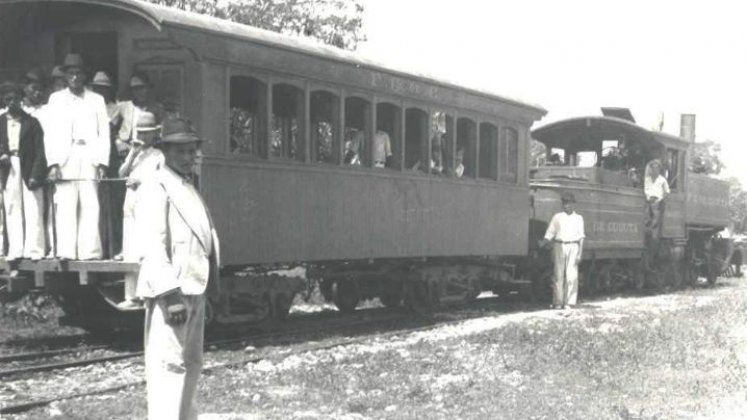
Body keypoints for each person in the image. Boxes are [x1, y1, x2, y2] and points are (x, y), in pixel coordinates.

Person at [136, 117, 219, 420]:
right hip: (173, 294)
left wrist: (208, 288)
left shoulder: (188, 186)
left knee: (191, 363)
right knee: (169, 366)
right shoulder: (156, 186)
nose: (187, 156)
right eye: (180, 151)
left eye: (191, 150)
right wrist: (170, 295)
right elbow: (153, 244)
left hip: (194, 288)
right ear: (164, 152)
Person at [46, 53, 110, 260]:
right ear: (65, 76)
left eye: (78, 73)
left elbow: (104, 133)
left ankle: (89, 252)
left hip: (89, 154)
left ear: (84, 75)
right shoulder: (56, 100)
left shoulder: (96, 100)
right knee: (66, 202)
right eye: (71, 73)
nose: (75, 77)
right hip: (66, 155)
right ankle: (66, 251)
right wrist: (53, 163)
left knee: (90, 202)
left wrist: (102, 162)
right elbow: (51, 133)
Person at [116, 111, 163, 309]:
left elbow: (160, 179)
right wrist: (133, 153)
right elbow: (121, 174)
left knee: (146, 248)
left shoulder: (159, 155)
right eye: (140, 133)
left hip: (148, 202)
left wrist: (141, 181)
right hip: (131, 201)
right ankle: (130, 296)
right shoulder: (134, 153)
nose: (143, 137)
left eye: (147, 133)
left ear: (154, 134)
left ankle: (146, 295)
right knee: (130, 247)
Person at [0, 82, 48, 260]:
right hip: (8, 167)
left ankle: (34, 250)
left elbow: (40, 150)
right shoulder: (0, 122)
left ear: (21, 100)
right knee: (12, 207)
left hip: (27, 164)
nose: (12, 102)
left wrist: (36, 174)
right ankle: (15, 250)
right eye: (8, 99)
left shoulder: (32, 123)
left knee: (33, 206)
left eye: (15, 99)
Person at [539, 191, 585, 310]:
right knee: (558, 275)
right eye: (565, 203)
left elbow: (581, 237)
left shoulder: (578, 218)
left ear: (573, 204)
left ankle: (569, 302)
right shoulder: (557, 217)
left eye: (569, 203)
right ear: (562, 204)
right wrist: (542, 243)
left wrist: (580, 253)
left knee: (572, 276)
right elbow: (550, 233)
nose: (567, 205)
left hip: (573, 246)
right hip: (559, 245)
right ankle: (558, 302)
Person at [117, 73, 164, 158]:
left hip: (149, 151)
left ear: (148, 89)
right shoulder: (123, 107)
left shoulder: (156, 108)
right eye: (136, 89)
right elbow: (109, 128)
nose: (140, 92)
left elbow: (162, 131)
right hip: (127, 150)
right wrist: (118, 142)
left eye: (142, 88)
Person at [643, 159, 670, 238]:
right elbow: (646, 189)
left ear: (659, 169)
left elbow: (667, 191)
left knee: (655, 222)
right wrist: (648, 197)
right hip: (648, 201)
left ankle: (654, 235)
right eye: (653, 168)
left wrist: (658, 199)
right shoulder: (647, 179)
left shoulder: (662, 180)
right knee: (646, 217)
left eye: (656, 168)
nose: (655, 170)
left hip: (657, 202)